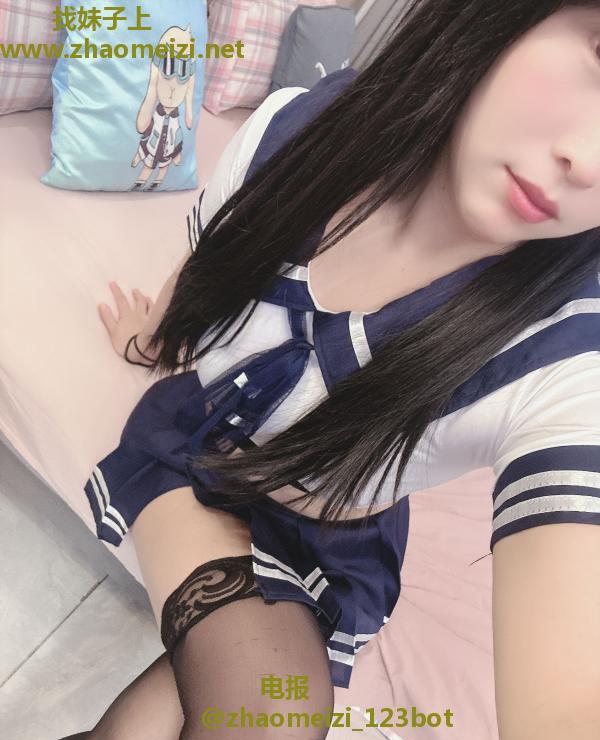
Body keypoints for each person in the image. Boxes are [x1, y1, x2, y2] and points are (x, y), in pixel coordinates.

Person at [66, 2, 600, 738]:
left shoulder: (568, 352)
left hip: (330, 546)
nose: (589, 162)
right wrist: (154, 334)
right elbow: (209, 265)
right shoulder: (292, 132)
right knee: (274, 713)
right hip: (196, 457)